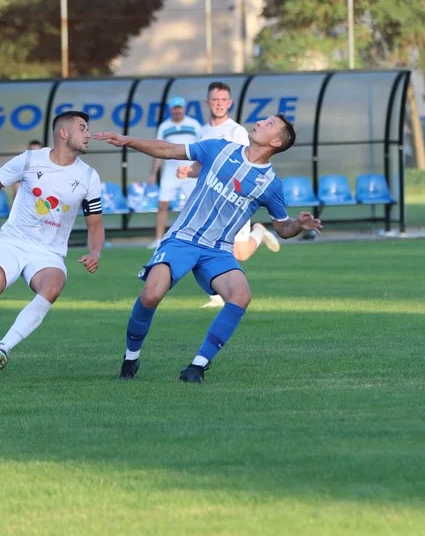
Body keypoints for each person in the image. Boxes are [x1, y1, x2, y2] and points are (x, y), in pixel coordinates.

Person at [95, 113, 322, 384]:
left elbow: (283, 229)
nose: (261, 122)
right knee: (151, 295)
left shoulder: (270, 184)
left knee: (241, 296)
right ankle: (131, 359)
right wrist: (128, 141)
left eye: (269, 124)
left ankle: (197, 367)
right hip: (182, 239)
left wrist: (299, 224)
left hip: (218, 251)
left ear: (275, 142)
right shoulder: (219, 147)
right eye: (264, 119)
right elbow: (169, 150)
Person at [0, 111, 104, 385]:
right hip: (13, 241)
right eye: (83, 128)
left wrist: (95, 252)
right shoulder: (29, 159)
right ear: (63, 133)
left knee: (52, 286)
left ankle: (3, 349)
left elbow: (95, 224)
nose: (88, 134)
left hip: (49, 253)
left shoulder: (89, 176)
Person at [175, 82, 280, 308]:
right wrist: (188, 170)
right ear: (207, 103)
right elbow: (202, 164)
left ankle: (259, 232)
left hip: (233, 202)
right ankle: (217, 294)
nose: (219, 104)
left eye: (223, 100)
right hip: (209, 202)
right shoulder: (202, 131)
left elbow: (245, 165)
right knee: (203, 243)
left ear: (230, 103)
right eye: (215, 100)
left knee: (239, 253)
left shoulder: (237, 132)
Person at [148, 96, 201, 248]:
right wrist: (153, 174)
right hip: (170, 172)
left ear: (184, 108)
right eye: (174, 108)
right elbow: (158, 151)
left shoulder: (194, 124)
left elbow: (201, 148)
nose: (177, 110)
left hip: (190, 170)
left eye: (180, 107)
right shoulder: (164, 127)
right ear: (170, 109)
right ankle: (159, 239)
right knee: (162, 205)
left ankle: (194, 237)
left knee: (195, 205)